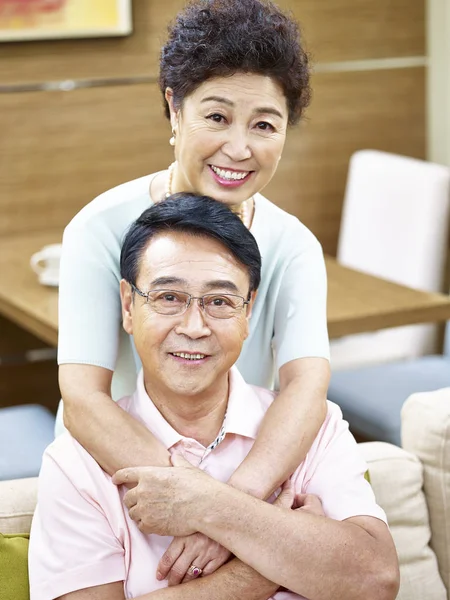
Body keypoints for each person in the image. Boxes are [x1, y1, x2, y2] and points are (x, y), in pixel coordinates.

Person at [57, 0, 330, 581]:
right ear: (173, 109)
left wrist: (231, 506)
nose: (239, 148)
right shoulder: (99, 227)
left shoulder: (295, 245)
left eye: (264, 124)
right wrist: (200, 506)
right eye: (216, 117)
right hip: (117, 485)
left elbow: (307, 385)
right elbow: (82, 397)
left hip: (243, 479)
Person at [29, 195, 399, 600]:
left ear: (248, 313)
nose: (194, 326)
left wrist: (210, 506)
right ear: (129, 306)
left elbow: (376, 579)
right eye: (168, 297)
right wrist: (265, 568)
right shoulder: (75, 465)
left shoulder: (314, 427)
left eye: (220, 301)